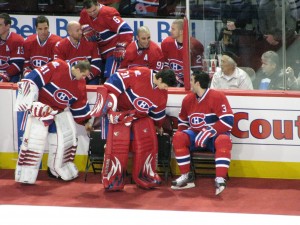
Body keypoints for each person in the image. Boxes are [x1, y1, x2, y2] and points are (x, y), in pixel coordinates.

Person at [90, 66, 177, 191]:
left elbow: (158, 113)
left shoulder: (162, 94)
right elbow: (113, 82)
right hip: (120, 116)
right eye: (165, 85)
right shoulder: (140, 73)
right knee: (116, 148)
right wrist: (110, 104)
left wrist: (158, 125)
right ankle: (113, 178)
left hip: (140, 119)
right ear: (160, 78)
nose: (166, 89)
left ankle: (144, 175)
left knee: (144, 147)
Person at [15, 59, 93, 184]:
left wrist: (86, 121)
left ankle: (54, 170)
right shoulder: (57, 66)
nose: (83, 78)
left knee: (59, 143)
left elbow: (80, 104)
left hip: (58, 113)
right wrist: (31, 102)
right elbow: (32, 79)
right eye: (83, 74)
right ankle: (25, 174)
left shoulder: (80, 83)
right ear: (78, 69)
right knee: (33, 143)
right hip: (41, 111)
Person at [171, 70, 234, 195]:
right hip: (195, 135)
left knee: (224, 140)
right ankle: (186, 176)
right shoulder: (188, 99)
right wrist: (181, 136)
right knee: (178, 137)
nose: (189, 84)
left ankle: (220, 178)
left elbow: (228, 121)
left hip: (214, 136)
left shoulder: (217, 96)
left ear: (198, 83)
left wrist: (209, 131)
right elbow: (183, 121)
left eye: (192, 81)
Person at [79, 0, 133, 82]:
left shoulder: (107, 13)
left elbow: (126, 30)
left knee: (110, 78)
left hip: (113, 50)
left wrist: (121, 46)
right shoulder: (84, 14)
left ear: (98, 4)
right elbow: (80, 26)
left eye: (94, 10)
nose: (92, 13)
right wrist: (83, 28)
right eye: (89, 12)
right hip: (99, 51)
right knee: (95, 76)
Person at [161, 19, 204, 87]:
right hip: (171, 83)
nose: (170, 31)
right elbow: (165, 65)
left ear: (181, 31)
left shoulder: (195, 45)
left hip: (189, 85)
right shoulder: (166, 43)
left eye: (173, 29)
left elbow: (197, 72)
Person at [0, 13, 24, 83]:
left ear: (8, 26)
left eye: (0, 25)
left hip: (11, 75)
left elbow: (18, 64)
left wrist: (5, 75)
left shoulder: (17, 40)